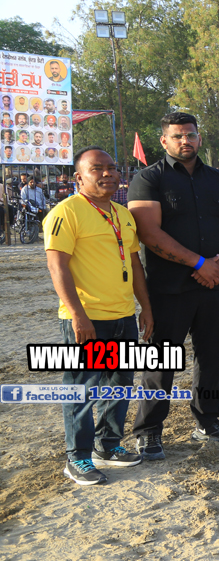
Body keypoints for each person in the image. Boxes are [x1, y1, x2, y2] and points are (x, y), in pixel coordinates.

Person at [127, 112, 219, 456]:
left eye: (190, 135)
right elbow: (149, 233)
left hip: (214, 285)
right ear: (164, 141)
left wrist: (218, 265)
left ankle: (208, 420)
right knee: (160, 362)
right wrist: (199, 263)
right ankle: (149, 430)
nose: (185, 141)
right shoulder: (148, 179)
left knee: (211, 359)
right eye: (177, 136)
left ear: (199, 138)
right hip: (168, 289)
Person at [44, 147, 153, 485]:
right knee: (82, 388)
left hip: (123, 315)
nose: (107, 173)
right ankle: (77, 457)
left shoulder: (123, 214)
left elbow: (134, 263)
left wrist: (145, 307)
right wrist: (78, 316)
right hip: (87, 318)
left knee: (119, 384)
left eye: (112, 167)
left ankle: (108, 446)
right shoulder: (66, 212)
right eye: (97, 169)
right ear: (79, 177)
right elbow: (57, 266)